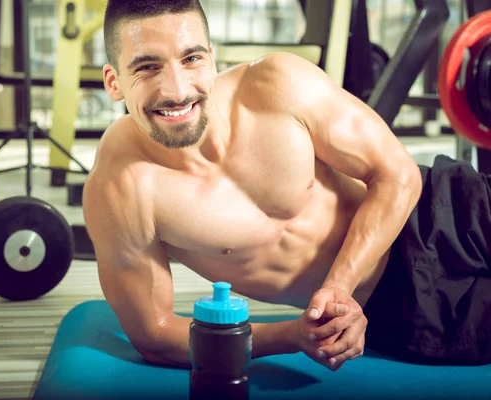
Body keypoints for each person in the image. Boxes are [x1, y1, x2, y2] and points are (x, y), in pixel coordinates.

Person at [83, 0, 491, 371]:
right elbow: (154, 334)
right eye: (148, 67)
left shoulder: (276, 84)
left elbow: (396, 172)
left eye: (191, 58)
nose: (177, 89)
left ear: (212, 58)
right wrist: (295, 334)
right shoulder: (121, 190)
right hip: (400, 301)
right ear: (114, 81)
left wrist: (338, 288)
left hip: (445, 204)